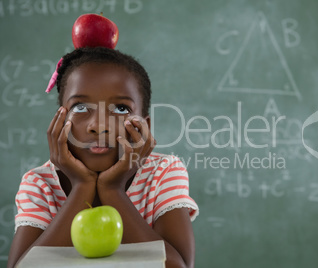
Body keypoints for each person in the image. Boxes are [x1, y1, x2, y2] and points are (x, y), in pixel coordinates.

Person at [7, 47, 199, 268]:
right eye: (80, 107)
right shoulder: (40, 184)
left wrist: (112, 189)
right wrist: (82, 185)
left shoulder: (163, 172)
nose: (98, 126)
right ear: (59, 123)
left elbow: (179, 266)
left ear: (144, 127)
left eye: (120, 108)